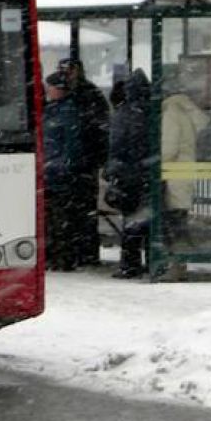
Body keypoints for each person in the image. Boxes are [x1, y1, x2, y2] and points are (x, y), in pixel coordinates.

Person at [58, 58, 110, 267]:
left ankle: (84, 252)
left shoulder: (84, 95)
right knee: (80, 209)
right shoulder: (87, 94)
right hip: (82, 161)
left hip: (84, 161)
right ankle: (83, 251)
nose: (66, 75)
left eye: (68, 71)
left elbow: (98, 126)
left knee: (82, 208)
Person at [103, 69, 152, 278]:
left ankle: (129, 264)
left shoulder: (123, 114)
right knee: (149, 220)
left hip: (128, 175)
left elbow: (116, 146)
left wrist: (112, 170)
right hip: (150, 173)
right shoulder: (153, 111)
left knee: (131, 221)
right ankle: (152, 261)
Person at [161, 67, 209, 265]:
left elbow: (168, 148)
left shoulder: (171, 111)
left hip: (172, 174)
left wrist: (155, 160)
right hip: (184, 172)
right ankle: (179, 259)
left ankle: (176, 261)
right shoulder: (186, 110)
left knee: (173, 220)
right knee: (179, 217)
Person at [43, 70, 82, 271]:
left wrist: (60, 166)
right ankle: (57, 256)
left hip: (57, 174)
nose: (47, 89)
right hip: (52, 172)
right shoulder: (54, 110)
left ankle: (62, 257)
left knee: (59, 218)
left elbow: (71, 145)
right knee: (55, 218)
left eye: (50, 86)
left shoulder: (66, 112)